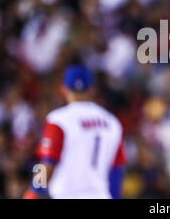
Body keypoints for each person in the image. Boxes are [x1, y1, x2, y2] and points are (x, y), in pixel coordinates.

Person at [23, 65, 126, 199]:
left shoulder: (59, 120)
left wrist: (33, 193)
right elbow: (116, 170)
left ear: (64, 89)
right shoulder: (112, 123)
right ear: (92, 89)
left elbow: (47, 163)